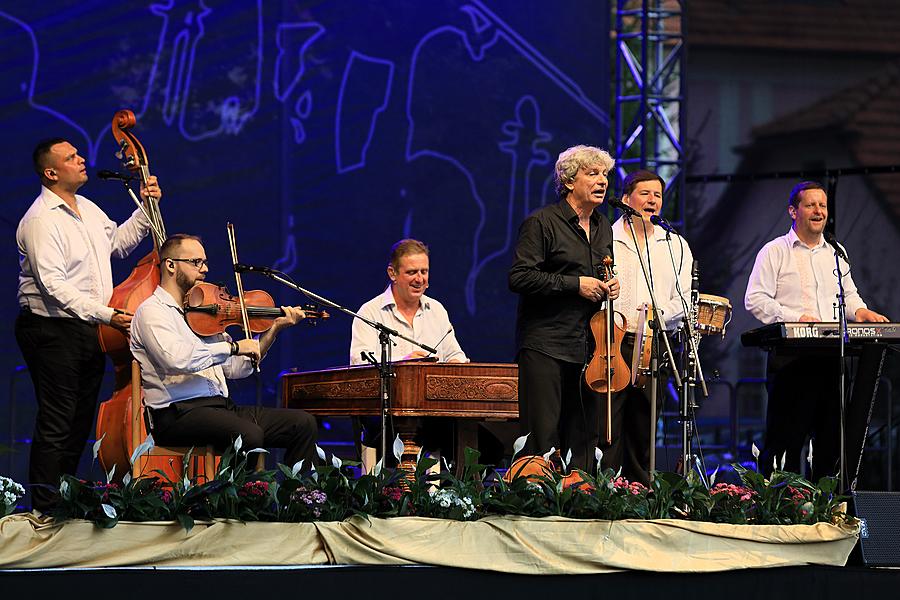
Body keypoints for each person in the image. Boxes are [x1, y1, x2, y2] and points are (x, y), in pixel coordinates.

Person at [15, 137, 161, 512]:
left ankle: (64, 499)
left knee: (79, 422)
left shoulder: (89, 209)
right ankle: (44, 507)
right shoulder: (40, 221)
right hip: (51, 329)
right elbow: (53, 287)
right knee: (58, 417)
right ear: (51, 173)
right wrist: (108, 314)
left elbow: (120, 242)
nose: (82, 160)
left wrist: (147, 207)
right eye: (72, 157)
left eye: (79, 154)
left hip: (88, 328)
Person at [129, 234, 317, 467]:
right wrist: (233, 347)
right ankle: (236, 501)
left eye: (205, 262)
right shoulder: (152, 312)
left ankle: (296, 500)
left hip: (220, 408)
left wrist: (273, 330)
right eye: (196, 262)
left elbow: (236, 368)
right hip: (176, 414)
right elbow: (175, 360)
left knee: (303, 424)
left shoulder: (203, 314)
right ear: (170, 265)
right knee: (248, 435)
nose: (205, 269)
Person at [745, 180, 888, 477]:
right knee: (785, 442)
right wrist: (793, 317)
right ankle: (780, 510)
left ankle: (826, 511)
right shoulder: (774, 251)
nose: (818, 211)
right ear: (793, 211)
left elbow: (849, 294)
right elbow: (755, 299)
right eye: (810, 205)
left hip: (831, 359)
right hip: (791, 360)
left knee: (830, 442)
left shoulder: (835, 251)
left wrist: (861, 311)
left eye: (822, 205)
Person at [508, 144, 620, 472]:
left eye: (605, 175)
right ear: (570, 181)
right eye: (593, 173)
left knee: (584, 436)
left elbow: (599, 273)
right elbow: (519, 277)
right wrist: (576, 285)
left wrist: (608, 285)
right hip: (546, 344)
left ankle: (579, 501)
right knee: (541, 437)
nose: (602, 181)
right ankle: (534, 502)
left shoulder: (603, 227)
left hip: (588, 347)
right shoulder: (542, 223)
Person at [607, 170, 693, 484]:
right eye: (645, 194)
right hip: (612, 341)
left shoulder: (674, 244)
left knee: (645, 421)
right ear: (627, 198)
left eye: (657, 195)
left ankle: (639, 488)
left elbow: (684, 299)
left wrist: (659, 313)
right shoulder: (607, 238)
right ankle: (606, 486)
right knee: (609, 420)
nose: (652, 200)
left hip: (655, 341)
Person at [349, 239, 467, 465]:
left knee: (478, 440)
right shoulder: (370, 312)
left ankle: (454, 497)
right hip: (386, 414)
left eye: (424, 271)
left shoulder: (437, 310)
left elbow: (456, 356)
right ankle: (402, 497)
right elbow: (359, 367)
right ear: (392, 273)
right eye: (412, 272)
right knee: (415, 429)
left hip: (435, 413)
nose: (420, 279)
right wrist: (403, 365)